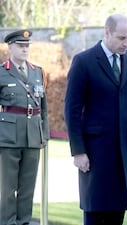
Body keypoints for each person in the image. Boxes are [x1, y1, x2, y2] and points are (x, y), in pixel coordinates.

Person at [64, 14, 127, 225]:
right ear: (107, 32)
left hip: (125, 149)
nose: (126, 43)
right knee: (95, 209)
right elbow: (72, 110)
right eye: (121, 38)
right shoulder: (83, 61)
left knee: (118, 211)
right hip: (95, 150)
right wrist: (78, 151)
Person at [0, 29, 49, 225]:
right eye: (20, 45)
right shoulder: (2, 72)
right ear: (10, 47)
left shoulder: (38, 72)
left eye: (27, 46)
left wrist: (43, 134)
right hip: (8, 137)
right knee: (7, 188)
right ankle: (6, 222)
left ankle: (24, 222)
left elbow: (43, 108)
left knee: (28, 188)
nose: (24, 49)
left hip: (32, 136)